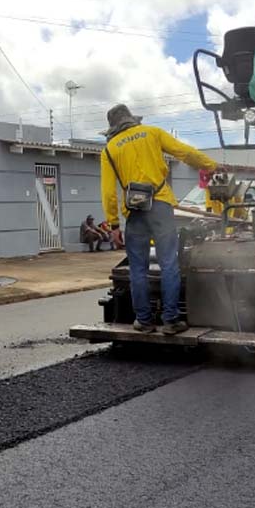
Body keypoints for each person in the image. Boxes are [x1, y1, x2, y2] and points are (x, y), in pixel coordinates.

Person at [99, 104, 219, 335]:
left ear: (112, 127)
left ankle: (143, 320)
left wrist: (113, 224)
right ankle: (171, 321)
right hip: (161, 205)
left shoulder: (110, 150)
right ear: (132, 120)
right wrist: (210, 165)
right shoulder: (152, 133)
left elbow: (108, 192)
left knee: (138, 269)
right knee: (168, 263)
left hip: (134, 212)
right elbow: (184, 152)